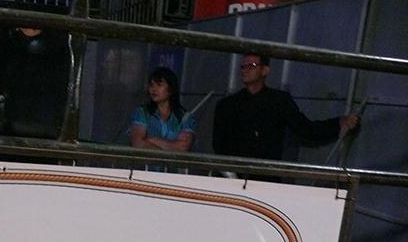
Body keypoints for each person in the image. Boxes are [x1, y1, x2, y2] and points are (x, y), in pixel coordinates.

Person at [213, 52, 360, 161]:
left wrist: (339, 123)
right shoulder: (228, 105)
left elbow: (306, 129)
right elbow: (219, 144)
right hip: (234, 176)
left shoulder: (279, 101)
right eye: (243, 66)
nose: (245, 70)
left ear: (265, 70)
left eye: (251, 66)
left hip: (265, 177)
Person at [130, 67, 195, 153]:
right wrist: (167, 152)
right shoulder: (142, 113)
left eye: (159, 85)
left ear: (171, 89)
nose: (153, 89)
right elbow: (137, 143)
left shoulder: (185, 118)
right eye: (151, 85)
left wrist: (153, 140)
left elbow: (182, 148)